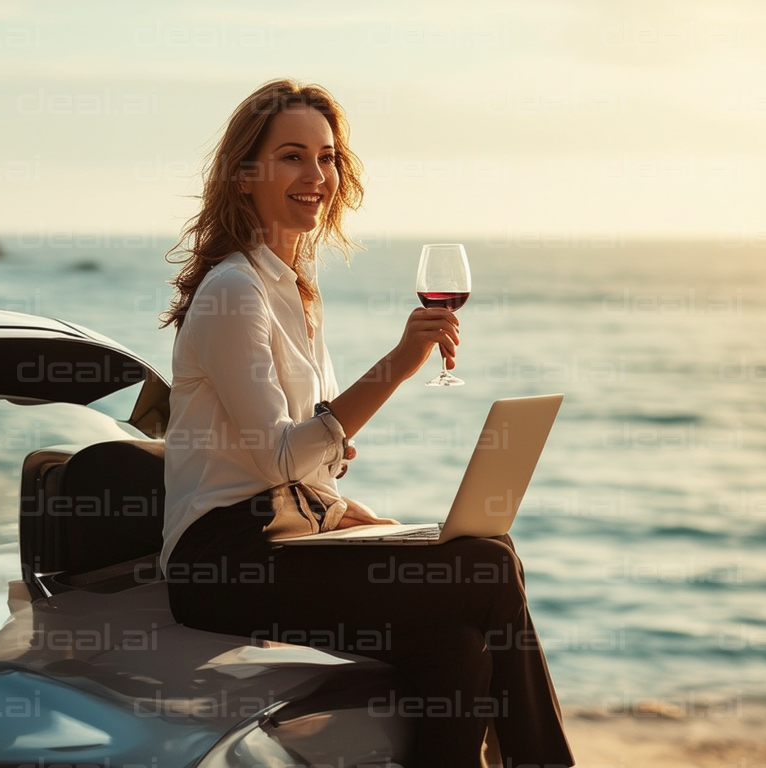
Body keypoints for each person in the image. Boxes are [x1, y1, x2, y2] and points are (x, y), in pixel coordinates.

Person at [159, 78, 574, 768]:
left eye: (327, 158)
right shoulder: (233, 291)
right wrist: (401, 362)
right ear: (244, 174)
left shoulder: (292, 289)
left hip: (289, 533)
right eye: (293, 157)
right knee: (488, 564)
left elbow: (302, 458)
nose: (316, 176)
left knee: (456, 648)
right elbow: (276, 461)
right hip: (224, 561)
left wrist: (338, 504)